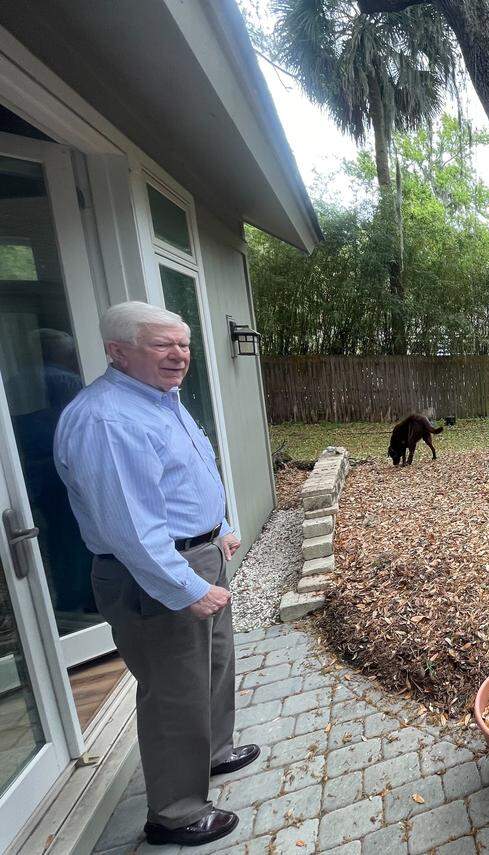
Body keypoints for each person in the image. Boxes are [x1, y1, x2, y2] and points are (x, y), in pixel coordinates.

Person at [54, 301, 256, 847]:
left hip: (196, 554)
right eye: (162, 344)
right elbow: (130, 529)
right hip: (155, 573)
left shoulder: (160, 402)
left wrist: (220, 529)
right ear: (117, 351)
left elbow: (187, 477)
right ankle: (174, 812)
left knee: (209, 669)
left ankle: (212, 752)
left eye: (184, 344)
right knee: (173, 694)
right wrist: (187, 587)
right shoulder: (108, 419)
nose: (180, 355)